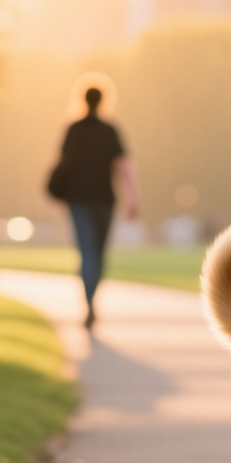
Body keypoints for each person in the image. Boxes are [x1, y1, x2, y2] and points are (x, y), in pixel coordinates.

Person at [49, 76, 140, 327]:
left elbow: (62, 164)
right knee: (98, 254)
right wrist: (133, 198)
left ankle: (89, 303)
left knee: (87, 252)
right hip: (104, 201)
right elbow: (124, 167)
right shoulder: (110, 130)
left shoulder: (73, 129)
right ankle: (92, 302)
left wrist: (59, 199)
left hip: (78, 200)